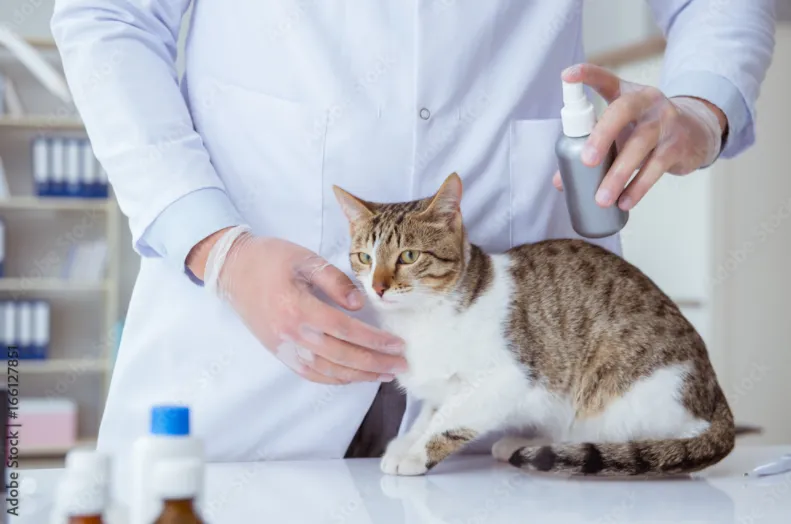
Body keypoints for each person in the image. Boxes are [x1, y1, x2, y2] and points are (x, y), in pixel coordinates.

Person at [51, 1, 776, 462]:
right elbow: (106, 15)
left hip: (514, 342)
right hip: (247, 324)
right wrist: (217, 249)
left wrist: (701, 107)